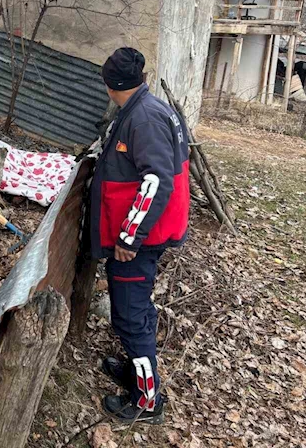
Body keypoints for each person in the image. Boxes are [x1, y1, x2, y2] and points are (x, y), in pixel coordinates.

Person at [88, 46, 190, 424]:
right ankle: (136, 371)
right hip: (149, 232)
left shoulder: (144, 119)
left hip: (141, 239)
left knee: (129, 316)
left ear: (113, 85)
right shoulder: (145, 107)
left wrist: (129, 237)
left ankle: (148, 400)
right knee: (136, 304)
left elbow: (156, 180)